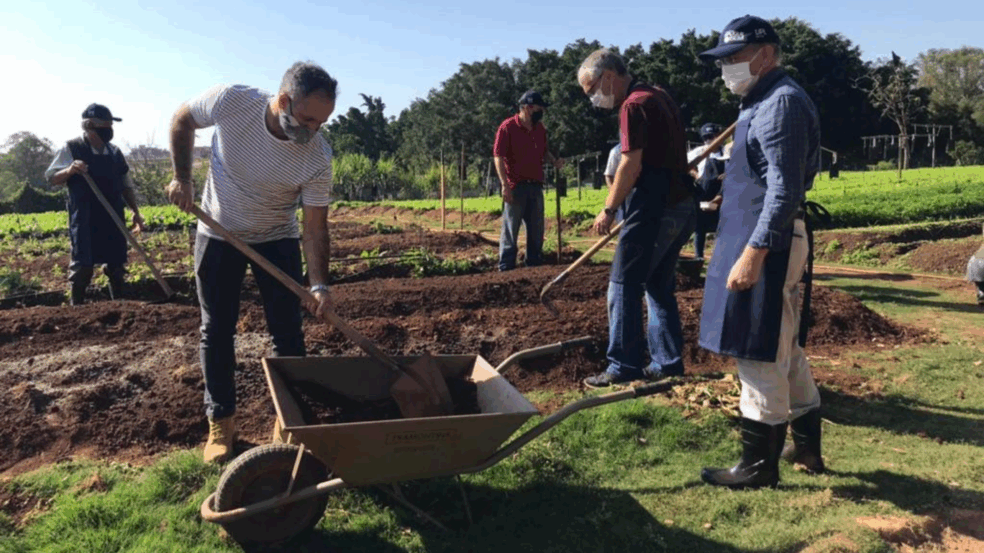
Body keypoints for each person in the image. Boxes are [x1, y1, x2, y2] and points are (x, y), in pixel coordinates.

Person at [167, 62, 336, 463]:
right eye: (308, 119)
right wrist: (183, 178)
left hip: (277, 238)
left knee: (288, 335)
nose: (313, 130)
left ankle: (289, 421)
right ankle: (221, 422)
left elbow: (314, 229)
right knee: (217, 329)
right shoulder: (233, 102)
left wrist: (320, 286)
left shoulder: (318, 155)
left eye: (322, 122)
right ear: (282, 101)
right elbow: (181, 119)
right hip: (218, 233)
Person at [697, 15, 824, 489]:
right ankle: (806, 449)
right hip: (761, 237)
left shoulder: (782, 104)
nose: (727, 67)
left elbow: (783, 188)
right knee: (784, 347)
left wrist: (753, 252)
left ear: (766, 53)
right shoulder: (763, 100)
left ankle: (757, 466)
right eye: (724, 60)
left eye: (734, 57)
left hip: (766, 241)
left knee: (759, 349)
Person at [576, 49, 696, 388]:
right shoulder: (659, 96)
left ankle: (623, 365)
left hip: (654, 209)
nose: (593, 98)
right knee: (658, 286)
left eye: (592, 90)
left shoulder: (633, 105)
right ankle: (667, 364)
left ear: (609, 77)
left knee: (622, 285)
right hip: (681, 205)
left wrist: (609, 208)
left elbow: (630, 163)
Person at [45, 104, 145, 306]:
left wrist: (135, 211)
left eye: (110, 125)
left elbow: (126, 185)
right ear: (89, 126)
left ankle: (119, 305)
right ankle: (77, 307)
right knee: (83, 265)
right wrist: (71, 170)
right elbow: (52, 178)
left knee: (116, 263)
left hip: (113, 214)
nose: (109, 129)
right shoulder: (72, 148)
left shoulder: (115, 152)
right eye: (104, 125)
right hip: (84, 216)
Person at [493, 90, 564, 271]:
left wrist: (553, 161)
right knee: (511, 228)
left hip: (536, 185)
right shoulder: (507, 127)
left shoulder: (540, 129)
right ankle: (506, 266)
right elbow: (498, 157)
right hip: (515, 186)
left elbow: (544, 151)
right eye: (539, 108)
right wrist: (504, 184)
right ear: (527, 107)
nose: (542, 112)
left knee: (536, 230)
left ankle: (534, 265)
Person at [689, 123, 728, 260]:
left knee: (721, 227)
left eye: (712, 137)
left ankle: (718, 258)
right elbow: (688, 165)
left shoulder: (727, 152)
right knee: (700, 227)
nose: (709, 140)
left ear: (719, 136)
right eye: (706, 138)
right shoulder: (699, 152)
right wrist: (697, 175)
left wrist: (727, 174)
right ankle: (698, 256)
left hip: (721, 193)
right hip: (702, 193)